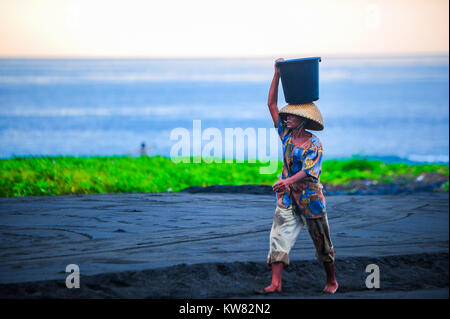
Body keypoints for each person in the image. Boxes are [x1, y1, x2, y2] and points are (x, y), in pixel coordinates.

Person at [255, 58, 338, 294]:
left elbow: (308, 171)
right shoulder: (286, 134)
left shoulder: (314, 144)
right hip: (288, 197)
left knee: (322, 241)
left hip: (311, 198)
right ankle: (276, 283)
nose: (286, 117)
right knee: (278, 235)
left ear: (303, 120)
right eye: (287, 115)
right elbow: (271, 104)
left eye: (291, 116)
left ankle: (331, 281)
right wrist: (277, 74)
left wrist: (286, 181)